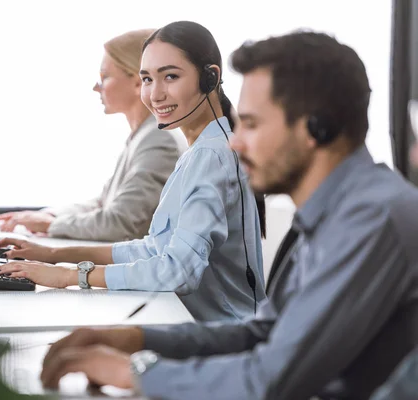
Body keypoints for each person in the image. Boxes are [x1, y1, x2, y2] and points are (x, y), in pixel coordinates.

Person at [36, 29, 418, 399]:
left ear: (315, 128)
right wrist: (139, 339)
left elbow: (267, 380)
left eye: (250, 124)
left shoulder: (371, 218)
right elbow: (262, 331)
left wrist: (134, 372)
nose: (235, 140)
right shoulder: (334, 214)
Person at [0, 21, 267, 322]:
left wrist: (69, 276)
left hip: (223, 336)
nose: (155, 94)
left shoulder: (212, 156)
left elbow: (178, 271)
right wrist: (55, 255)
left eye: (170, 76)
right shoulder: (203, 150)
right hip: (199, 325)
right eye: (147, 79)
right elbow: (155, 248)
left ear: (210, 77)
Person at [0, 29, 187, 242]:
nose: (96, 86)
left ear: (138, 83)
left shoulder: (159, 140)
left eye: (105, 76)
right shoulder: (143, 135)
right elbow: (103, 203)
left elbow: (119, 224)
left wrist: (51, 225)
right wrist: (48, 215)